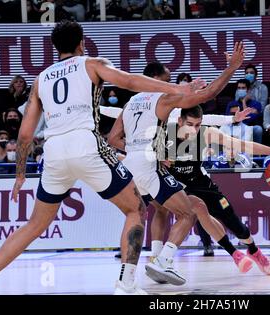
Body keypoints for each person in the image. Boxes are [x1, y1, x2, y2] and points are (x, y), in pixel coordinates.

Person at [0, 20, 207, 296]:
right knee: (136, 209)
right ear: (81, 42)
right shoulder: (91, 63)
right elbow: (131, 81)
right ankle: (126, 284)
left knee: (35, 224)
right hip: (85, 145)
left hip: (54, 152)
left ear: (55, 47)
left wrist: (20, 174)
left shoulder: (41, 80)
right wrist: (176, 90)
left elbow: (25, 136)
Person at [107, 44, 253, 286]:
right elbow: (207, 96)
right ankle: (163, 261)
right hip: (148, 164)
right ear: (153, 80)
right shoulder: (161, 98)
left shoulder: (130, 103)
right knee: (187, 213)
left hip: (131, 165)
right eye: (165, 80)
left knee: (141, 215)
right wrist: (231, 69)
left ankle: (128, 279)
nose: (168, 84)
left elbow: (112, 139)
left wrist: (141, 149)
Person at [150, 106, 270, 279]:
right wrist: (156, 157)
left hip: (201, 182)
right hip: (179, 186)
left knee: (234, 224)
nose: (193, 130)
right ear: (179, 121)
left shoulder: (206, 133)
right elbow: (143, 152)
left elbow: (243, 145)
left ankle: (253, 250)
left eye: (197, 125)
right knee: (197, 209)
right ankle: (233, 254)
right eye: (189, 124)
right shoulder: (164, 134)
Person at [226, 79, 263, 143]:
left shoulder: (256, 104)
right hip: (235, 127)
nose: (241, 90)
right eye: (239, 88)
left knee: (258, 129)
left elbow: (248, 120)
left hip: (250, 127)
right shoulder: (231, 104)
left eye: (243, 88)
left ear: (248, 90)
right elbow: (228, 119)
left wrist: (244, 102)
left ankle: (257, 153)